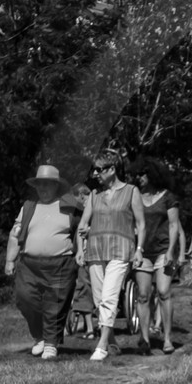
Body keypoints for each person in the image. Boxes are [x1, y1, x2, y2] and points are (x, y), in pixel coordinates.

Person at [4, 164, 81, 361]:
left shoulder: (70, 207)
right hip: (29, 263)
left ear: (56, 186)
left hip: (60, 264)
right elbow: (15, 235)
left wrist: (81, 253)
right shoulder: (29, 206)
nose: (43, 188)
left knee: (55, 305)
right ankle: (39, 336)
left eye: (47, 184)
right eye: (39, 185)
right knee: (25, 299)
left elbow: (81, 233)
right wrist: (10, 260)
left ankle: (50, 344)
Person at [75, 149, 144, 361]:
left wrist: (139, 250)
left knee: (109, 296)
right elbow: (82, 225)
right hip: (95, 250)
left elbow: (141, 224)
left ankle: (102, 344)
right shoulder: (94, 195)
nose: (95, 174)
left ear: (112, 169)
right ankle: (112, 340)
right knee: (98, 300)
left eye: (99, 169)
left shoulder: (131, 192)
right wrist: (80, 248)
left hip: (121, 250)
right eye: (94, 170)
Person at [132, 156, 184, 354]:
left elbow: (173, 225)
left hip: (163, 250)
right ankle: (144, 339)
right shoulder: (135, 197)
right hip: (143, 252)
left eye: (142, 174)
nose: (139, 178)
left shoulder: (168, 197)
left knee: (163, 291)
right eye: (137, 175)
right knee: (143, 294)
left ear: (152, 174)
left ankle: (167, 338)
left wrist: (172, 250)